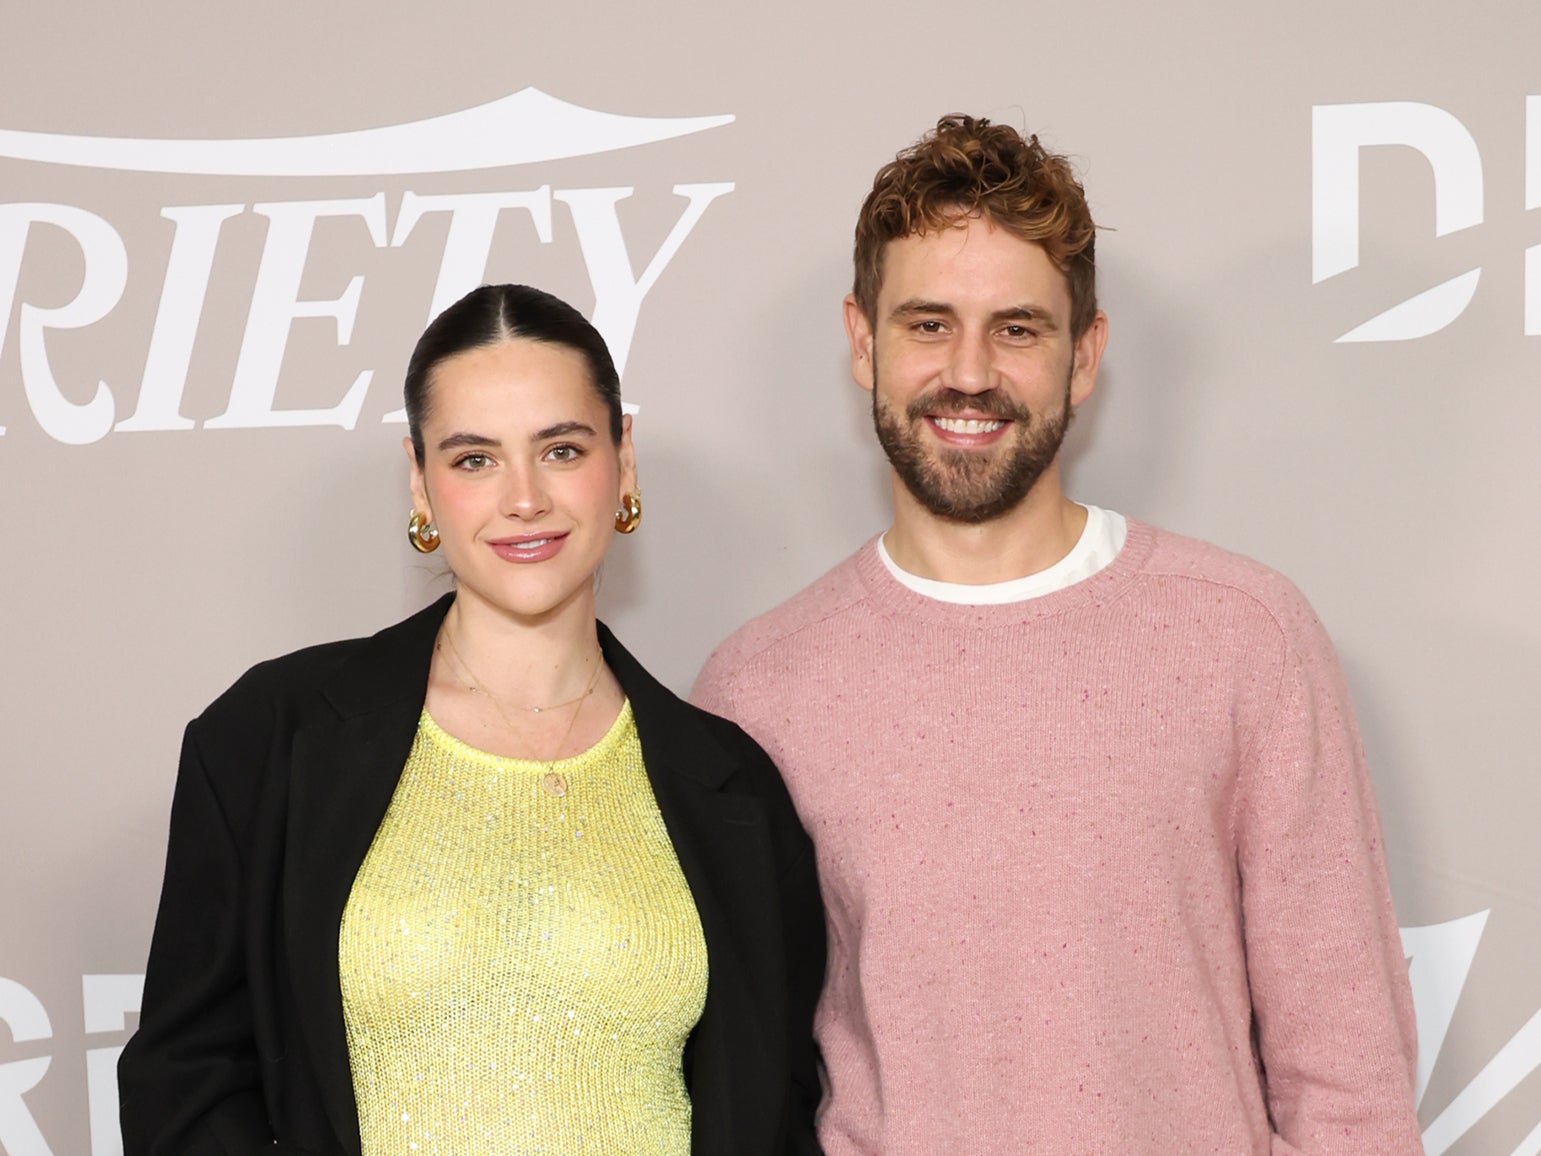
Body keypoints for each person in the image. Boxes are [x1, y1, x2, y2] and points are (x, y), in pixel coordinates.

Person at [692, 117, 1422, 1153]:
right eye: (928, 324)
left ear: (1084, 356)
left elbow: (1346, 1075)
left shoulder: (1242, 637)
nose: (970, 373)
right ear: (863, 342)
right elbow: (745, 1084)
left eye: (1018, 329)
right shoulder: (755, 690)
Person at [119, 284, 825, 1155]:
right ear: (419, 479)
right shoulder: (271, 739)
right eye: (474, 459)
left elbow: (776, 1110)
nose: (524, 498)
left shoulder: (731, 787)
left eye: (562, 449)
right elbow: (184, 1088)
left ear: (623, 461)